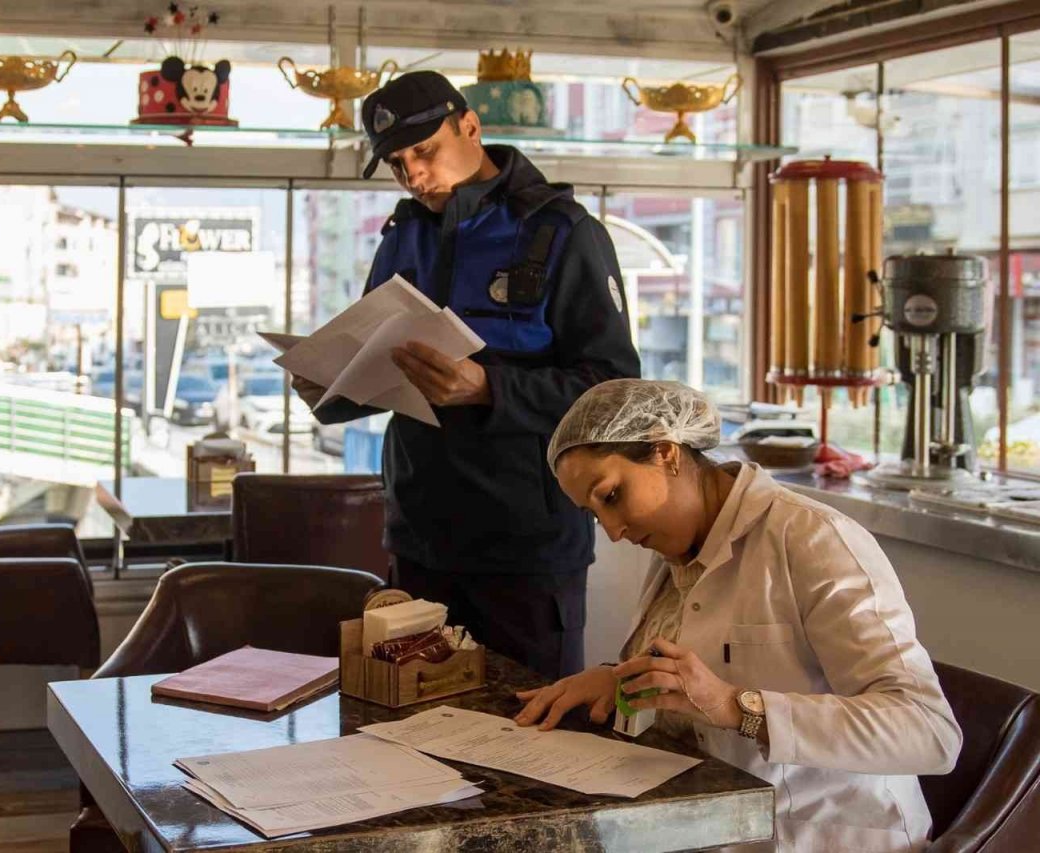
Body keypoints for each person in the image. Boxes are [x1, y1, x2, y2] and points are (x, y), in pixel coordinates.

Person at [514, 379, 962, 850]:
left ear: (666, 453)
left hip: (821, 835)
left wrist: (736, 707)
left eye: (610, 496)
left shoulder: (814, 540)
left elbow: (928, 731)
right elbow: (696, 676)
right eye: (592, 514)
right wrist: (622, 680)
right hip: (714, 825)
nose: (612, 530)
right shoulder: (678, 548)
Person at [295, 71, 639, 679]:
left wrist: (488, 388)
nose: (414, 175)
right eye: (397, 164)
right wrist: (332, 386)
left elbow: (614, 391)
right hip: (420, 539)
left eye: (424, 151)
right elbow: (384, 368)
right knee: (410, 725)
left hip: (526, 547)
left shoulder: (563, 232)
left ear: (471, 126)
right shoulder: (402, 238)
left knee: (532, 723)